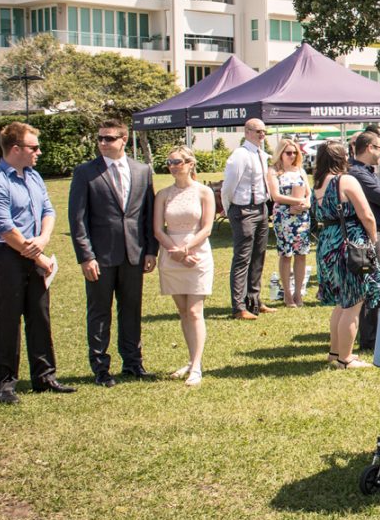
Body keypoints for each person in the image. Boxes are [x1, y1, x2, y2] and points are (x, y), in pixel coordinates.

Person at [0, 122, 68, 405]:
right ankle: (6, 383)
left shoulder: (34, 176)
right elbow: (6, 228)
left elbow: (48, 210)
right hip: (6, 257)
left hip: (33, 251)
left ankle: (45, 377)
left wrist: (43, 239)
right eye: (34, 147)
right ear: (15, 149)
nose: (39, 152)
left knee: (39, 316)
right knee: (9, 320)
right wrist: (38, 255)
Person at [68, 118, 157, 387]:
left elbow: (148, 214)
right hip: (100, 256)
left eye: (109, 138)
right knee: (99, 313)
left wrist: (151, 250)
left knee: (131, 310)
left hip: (134, 253)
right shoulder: (85, 172)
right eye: (100, 138)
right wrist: (86, 256)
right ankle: (100, 368)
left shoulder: (142, 171)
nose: (103, 143)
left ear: (123, 140)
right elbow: (77, 219)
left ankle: (133, 363)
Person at [311, 141, 380, 369]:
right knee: (354, 302)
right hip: (350, 244)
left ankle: (335, 353)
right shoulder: (345, 180)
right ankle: (346, 358)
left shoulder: (318, 184)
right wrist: (373, 239)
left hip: (327, 243)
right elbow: (366, 215)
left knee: (341, 302)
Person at [153, 145, 216, 387]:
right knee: (182, 311)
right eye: (169, 162)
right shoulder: (163, 194)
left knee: (194, 311)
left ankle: (197, 365)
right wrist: (176, 253)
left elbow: (207, 227)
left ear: (190, 164)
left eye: (178, 161)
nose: (173, 166)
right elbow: (158, 229)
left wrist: (187, 250)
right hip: (171, 254)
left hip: (197, 253)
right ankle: (190, 360)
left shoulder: (204, 192)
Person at [347, 131, 380, 352]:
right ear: (369, 148)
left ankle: (374, 335)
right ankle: (370, 339)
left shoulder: (368, 171)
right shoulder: (358, 173)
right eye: (379, 148)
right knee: (373, 288)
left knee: (379, 286)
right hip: (373, 235)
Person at [220, 119, 273, 320]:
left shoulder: (260, 154)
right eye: (258, 131)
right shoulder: (240, 155)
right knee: (242, 258)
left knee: (259, 256)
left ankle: (254, 299)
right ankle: (239, 306)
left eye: (264, 132)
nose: (262, 135)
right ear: (247, 132)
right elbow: (228, 186)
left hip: (260, 207)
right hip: (243, 209)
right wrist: (229, 208)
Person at [270, 138, 312, 307]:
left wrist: (307, 202)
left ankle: (298, 293)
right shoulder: (273, 171)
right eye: (288, 153)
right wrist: (296, 201)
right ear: (280, 154)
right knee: (286, 255)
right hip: (284, 217)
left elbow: (308, 192)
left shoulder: (300, 170)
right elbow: (276, 196)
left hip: (301, 217)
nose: (292, 156)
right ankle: (287, 293)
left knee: (301, 255)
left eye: (295, 152)